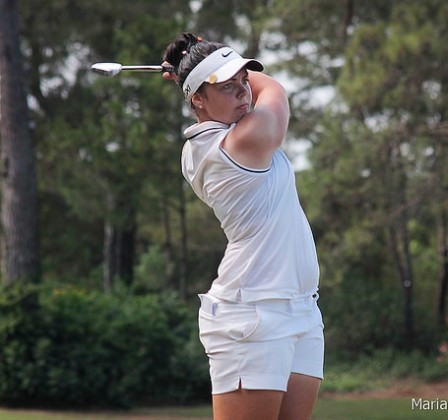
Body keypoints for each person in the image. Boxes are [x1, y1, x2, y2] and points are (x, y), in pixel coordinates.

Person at [160, 33, 324, 420]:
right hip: (251, 314)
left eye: (244, 81)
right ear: (198, 100)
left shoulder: (229, 135)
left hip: (301, 307)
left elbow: (258, 91)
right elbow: (275, 91)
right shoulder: (235, 145)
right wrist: (214, 57)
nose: (243, 92)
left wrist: (205, 64)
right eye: (228, 86)